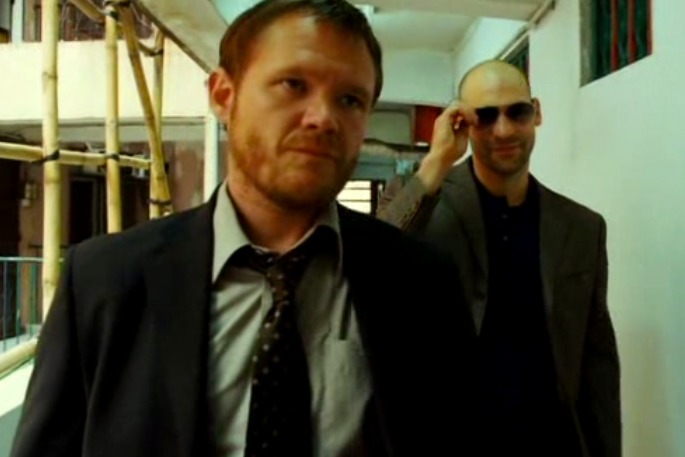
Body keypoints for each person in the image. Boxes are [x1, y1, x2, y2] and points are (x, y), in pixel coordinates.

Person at [11, 1, 478, 456]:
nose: (323, 118)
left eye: (350, 100)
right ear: (223, 95)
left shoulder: (421, 283)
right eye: (293, 84)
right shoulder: (105, 281)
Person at [378, 59, 621, 457]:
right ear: (462, 123)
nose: (503, 130)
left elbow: (597, 363)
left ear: (536, 113)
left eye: (517, 112)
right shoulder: (423, 197)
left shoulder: (582, 227)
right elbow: (373, 265)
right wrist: (436, 162)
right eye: (486, 117)